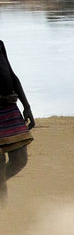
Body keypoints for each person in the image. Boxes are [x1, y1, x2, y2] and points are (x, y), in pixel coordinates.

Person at [0, 41, 36, 205]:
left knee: (20, 159)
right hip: (5, 103)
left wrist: (26, 107)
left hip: (10, 109)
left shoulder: (0, 44)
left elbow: (12, 76)